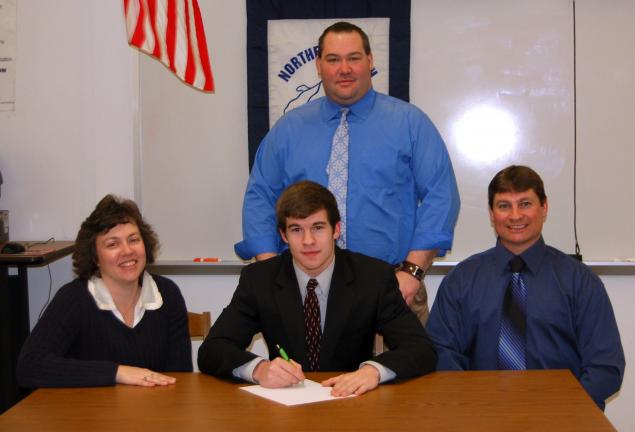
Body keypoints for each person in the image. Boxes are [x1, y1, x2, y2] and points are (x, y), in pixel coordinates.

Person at [235, 21, 460, 324]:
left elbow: (441, 196)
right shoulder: (288, 130)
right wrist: (272, 274)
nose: (344, 68)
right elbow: (260, 198)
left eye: (353, 58)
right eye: (333, 59)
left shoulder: (410, 123)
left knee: (403, 372)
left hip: (392, 288)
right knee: (312, 375)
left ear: (370, 60)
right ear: (318, 65)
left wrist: (412, 272)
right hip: (305, 292)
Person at [199, 181, 436, 396]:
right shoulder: (260, 279)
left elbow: (420, 349)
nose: (308, 241)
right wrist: (259, 369)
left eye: (318, 227)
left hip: (350, 404)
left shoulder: (372, 277)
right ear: (283, 235)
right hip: (284, 407)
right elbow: (212, 349)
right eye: (296, 230)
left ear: (336, 230)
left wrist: (373, 371)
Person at [426, 165, 625, 410]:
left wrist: (565, 411)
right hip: (481, 414)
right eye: (503, 206)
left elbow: (605, 365)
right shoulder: (461, 280)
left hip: (562, 416)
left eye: (525, 204)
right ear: (491, 214)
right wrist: (469, 406)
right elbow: (441, 352)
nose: (515, 215)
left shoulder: (581, 282)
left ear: (544, 207)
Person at [17, 195, 192, 388]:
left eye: (133, 240)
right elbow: (29, 366)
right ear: (95, 257)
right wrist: (116, 372)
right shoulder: (73, 299)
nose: (127, 251)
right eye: (112, 244)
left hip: (152, 414)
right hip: (89, 415)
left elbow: (180, 379)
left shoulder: (167, 294)